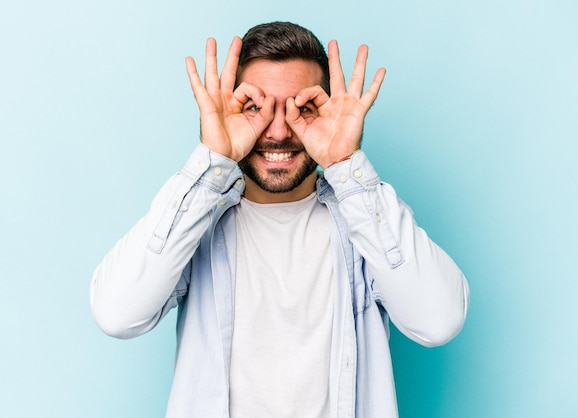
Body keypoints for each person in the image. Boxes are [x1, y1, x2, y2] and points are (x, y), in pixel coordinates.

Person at [90, 21, 469, 418]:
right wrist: (211, 161)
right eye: (255, 107)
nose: (277, 130)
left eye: (302, 109)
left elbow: (439, 320)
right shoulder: (196, 223)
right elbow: (117, 313)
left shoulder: (366, 221)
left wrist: (345, 163)